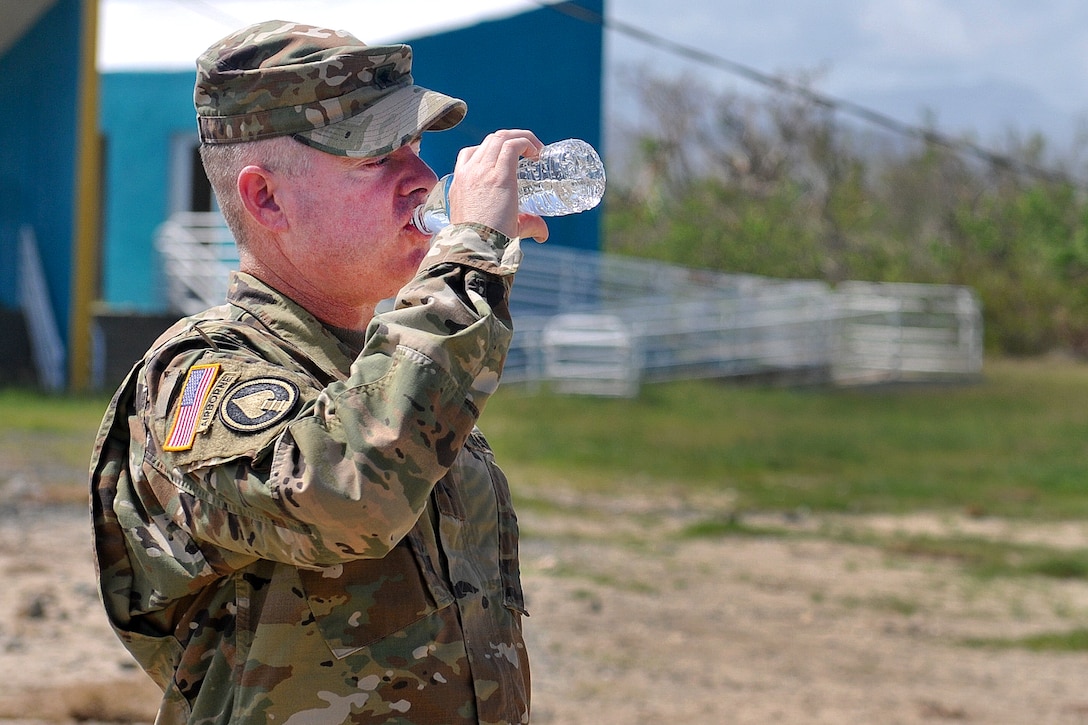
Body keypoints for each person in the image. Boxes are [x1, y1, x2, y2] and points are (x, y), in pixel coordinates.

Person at [89, 19, 548, 725]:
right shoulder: (199, 376)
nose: (424, 180)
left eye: (416, 148)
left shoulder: (383, 363)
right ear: (267, 197)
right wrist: (470, 259)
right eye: (376, 159)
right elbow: (350, 491)